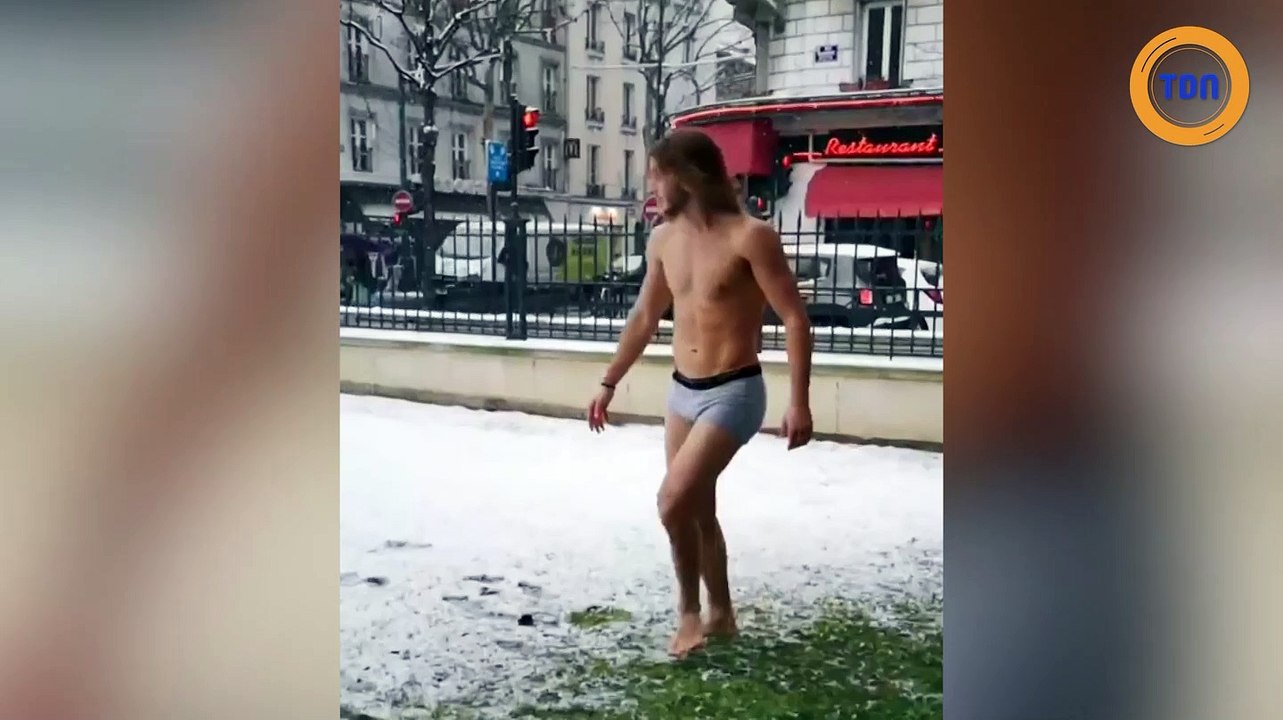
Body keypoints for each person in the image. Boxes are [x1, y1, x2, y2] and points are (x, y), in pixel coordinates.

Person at [586, 129, 814, 657]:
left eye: (657, 174)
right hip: (682, 392)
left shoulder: (750, 237)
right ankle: (722, 614)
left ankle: (688, 614)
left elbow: (795, 319)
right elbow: (645, 317)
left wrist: (798, 400)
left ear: (687, 177)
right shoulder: (664, 240)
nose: (651, 185)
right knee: (698, 510)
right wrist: (609, 379)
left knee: (672, 502)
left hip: (734, 391)